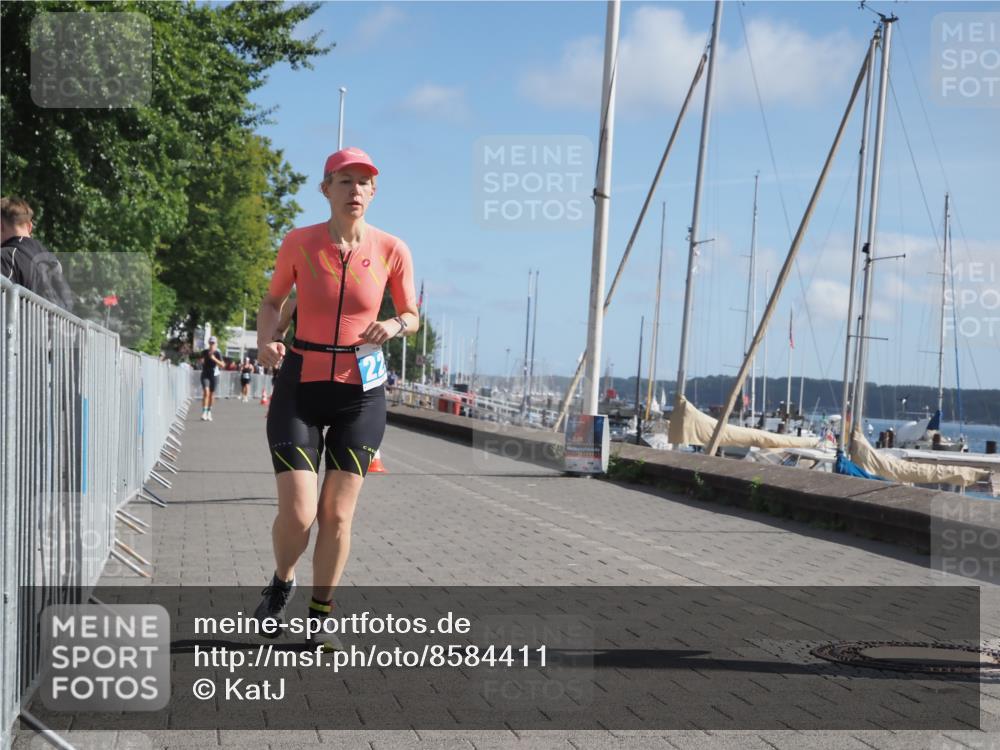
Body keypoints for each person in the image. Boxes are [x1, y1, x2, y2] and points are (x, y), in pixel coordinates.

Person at [253, 147, 417, 650]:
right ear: (326, 189)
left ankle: (320, 614)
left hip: (360, 392)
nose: (356, 191)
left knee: (338, 515)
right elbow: (272, 301)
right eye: (345, 182)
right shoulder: (299, 243)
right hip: (301, 383)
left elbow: (412, 313)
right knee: (300, 513)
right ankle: (283, 580)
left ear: (374, 193)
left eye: (365, 183)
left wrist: (393, 323)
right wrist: (266, 341)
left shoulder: (393, 248)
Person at [1, 196, 74, 312]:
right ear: (29, 227)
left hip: (22, 329)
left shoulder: (6, 256)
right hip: (59, 329)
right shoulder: (53, 262)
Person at [199, 336, 225, 421]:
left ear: (216, 344)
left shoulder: (218, 353)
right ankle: (204, 412)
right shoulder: (205, 352)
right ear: (208, 343)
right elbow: (201, 360)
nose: (211, 345)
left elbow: (222, 365)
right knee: (206, 391)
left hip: (214, 374)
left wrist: (214, 359)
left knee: (211, 394)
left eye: (213, 343)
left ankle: (209, 411)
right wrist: (201, 361)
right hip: (205, 373)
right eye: (210, 343)